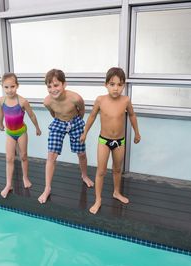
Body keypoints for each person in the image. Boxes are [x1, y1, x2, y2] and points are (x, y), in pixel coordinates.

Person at [80, 67, 141, 214]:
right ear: (105, 84)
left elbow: (132, 115)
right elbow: (92, 116)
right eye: (112, 84)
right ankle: (98, 199)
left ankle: (116, 192)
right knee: (101, 171)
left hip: (119, 141)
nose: (116, 88)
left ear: (124, 86)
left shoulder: (126, 100)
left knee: (117, 169)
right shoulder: (100, 100)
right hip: (104, 141)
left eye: (120, 85)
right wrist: (85, 132)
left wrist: (137, 133)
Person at [38, 69, 94, 204]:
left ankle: (84, 175)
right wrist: (61, 122)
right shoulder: (47, 102)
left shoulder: (75, 98)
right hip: (58, 123)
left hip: (75, 122)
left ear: (64, 84)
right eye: (49, 86)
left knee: (81, 153)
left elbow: (81, 111)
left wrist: (77, 124)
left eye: (56, 85)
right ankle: (47, 188)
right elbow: (53, 113)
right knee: (51, 155)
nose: (53, 89)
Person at [0, 73, 41, 198]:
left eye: (12, 86)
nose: (9, 90)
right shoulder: (1, 100)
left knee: (23, 156)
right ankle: (8, 184)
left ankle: (25, 177)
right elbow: (1, 112)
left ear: (17, 86)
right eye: (6, 87)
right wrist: (0, 124)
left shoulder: (22, 101)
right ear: (2, 87)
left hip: (21, 132)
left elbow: (32, 115)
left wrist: (37, 128)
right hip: (10, 133)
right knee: (9, 158)